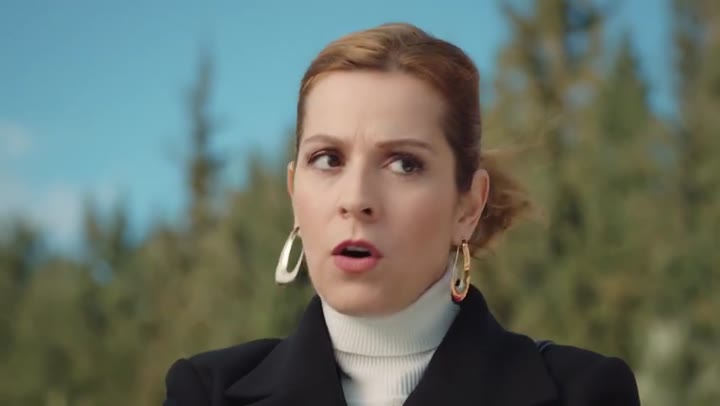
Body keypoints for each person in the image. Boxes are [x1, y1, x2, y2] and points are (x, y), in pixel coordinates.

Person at [163, 23, 641, 406]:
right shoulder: (206, 392)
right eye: (327, 159)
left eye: (403, 164)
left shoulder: (584, 392)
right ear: (294, 192)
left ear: (468, 206)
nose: (356, 199)